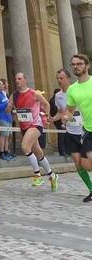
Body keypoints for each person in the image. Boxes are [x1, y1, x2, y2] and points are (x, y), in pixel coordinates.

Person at [6, 72, 58, 191]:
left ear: (25, 80)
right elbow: (8, 110)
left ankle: (37, 175)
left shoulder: (34, 93)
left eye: (19, 79)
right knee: (38, 153)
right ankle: (52, 175)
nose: (17, 81)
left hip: (36, 124)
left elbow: (46, 104)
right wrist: (9, 108)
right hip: (24, 126)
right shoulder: (14, 95)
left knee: (25, 147)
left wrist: (46, 116)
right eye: (16, 79)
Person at [64, 54, 92, 202]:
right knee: (83, 164)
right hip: (88, 130)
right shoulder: (72, 89)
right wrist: (66, 116)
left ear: (87, 66)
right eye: (73, 64)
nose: (76, 66)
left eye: (79, 64)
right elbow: (70, 109)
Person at [0, 79, 15, 160]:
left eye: (2, 84)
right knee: (3, 135)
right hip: (1, 117)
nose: (2, 85)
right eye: (0, 84)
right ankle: (1, 152)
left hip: (8, 117)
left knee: (7, 135)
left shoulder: (4, 94)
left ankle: (6, 151)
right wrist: (5, 104)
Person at [50, 87, 67, 156]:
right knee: (61, 135)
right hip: (59, 120)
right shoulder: (54, 100)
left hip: (60, 119)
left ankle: (65, 150)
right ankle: (62, 151)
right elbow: (57, 111)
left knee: (64, 134)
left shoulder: (54, 99)